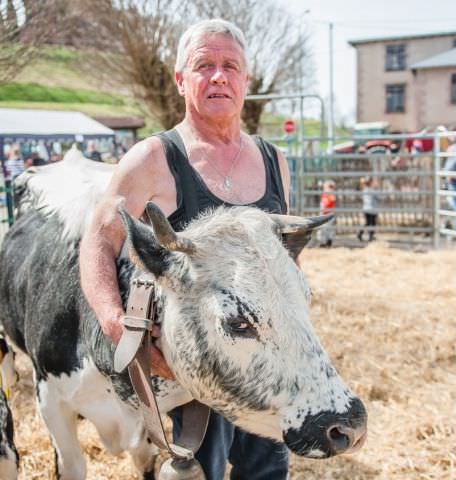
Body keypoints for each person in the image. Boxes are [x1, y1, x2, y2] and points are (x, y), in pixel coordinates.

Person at [79, 19, 290, 480]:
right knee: (203, 471)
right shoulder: (153, 160)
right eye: (204, 66)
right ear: (181, 80)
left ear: (245, 81)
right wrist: (117, 325)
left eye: (230, 66)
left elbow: (284, 261)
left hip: (268, 366)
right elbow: (98, 240)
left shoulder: (275, 161)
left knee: (268, 469)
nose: (219, 76)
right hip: (193, 371)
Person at [357, 176, 380, 242]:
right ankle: (370, 236)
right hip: (372, 209)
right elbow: (379, 197)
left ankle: (361, 233)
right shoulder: (371, 190)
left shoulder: (365, 189)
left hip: (367, 208)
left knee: (368, 223)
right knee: (372, 223)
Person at [319, 180, 336, 246]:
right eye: (325, 188)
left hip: (329, 215)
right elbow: (322, 205)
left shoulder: (331, 196)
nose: (325, 190)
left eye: (327, 188)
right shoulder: (324, 195)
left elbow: (333, 200)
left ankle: (329, 240)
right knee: (323, 229)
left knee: (329, 228)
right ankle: (323, 242)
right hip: (323, 214)